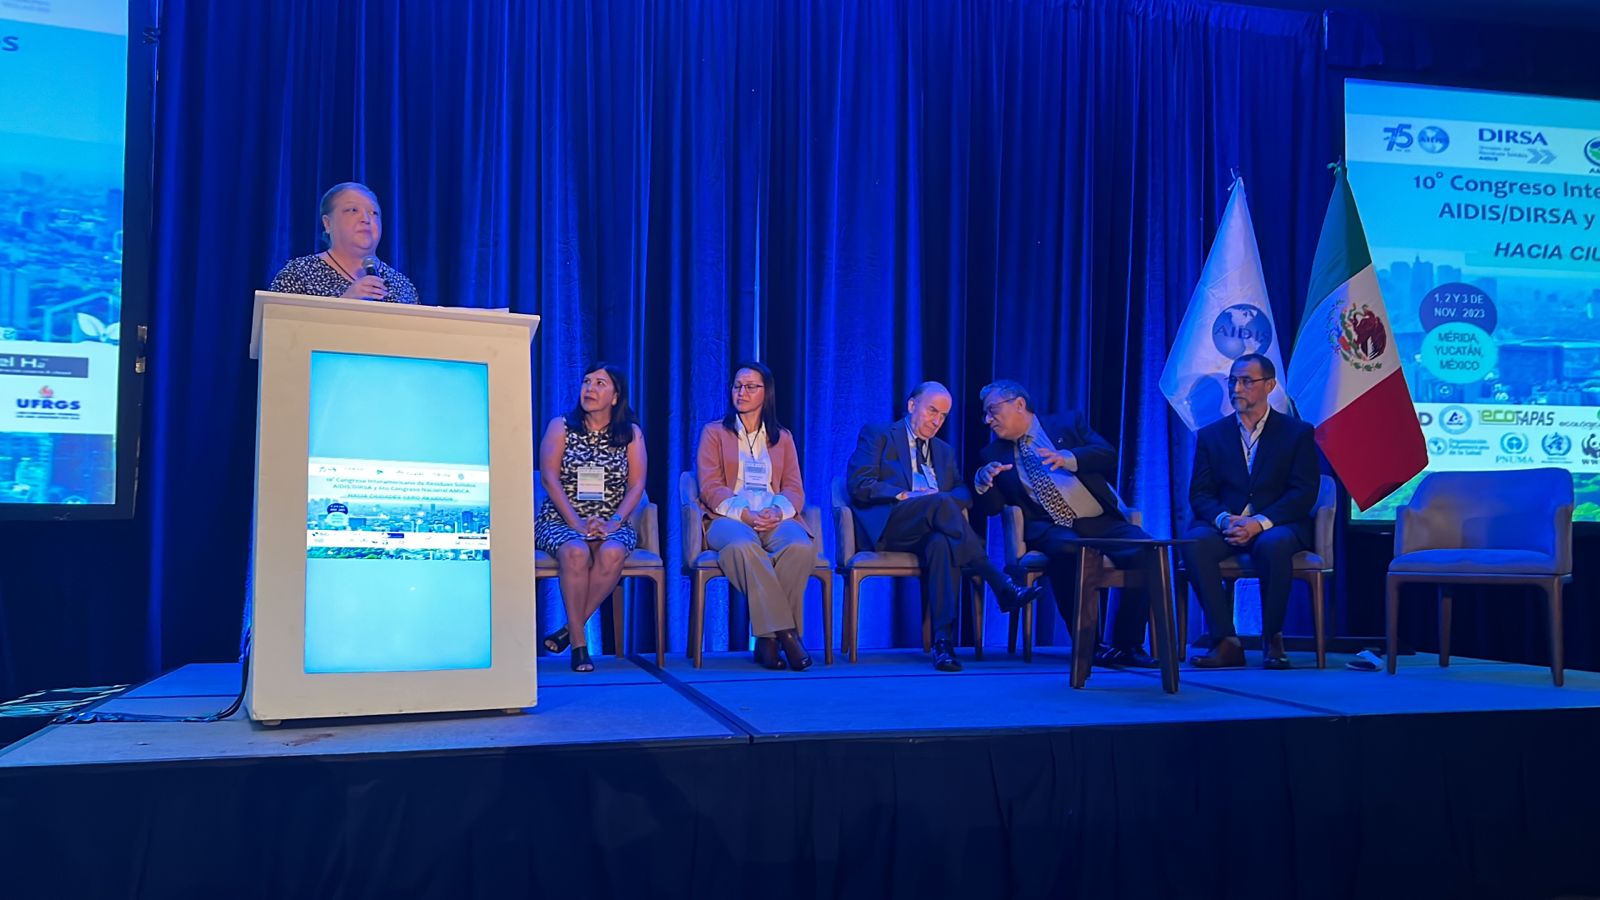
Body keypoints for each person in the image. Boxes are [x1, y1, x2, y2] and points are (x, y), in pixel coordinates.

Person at [846, 381, 1044, 671]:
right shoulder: (879, 434)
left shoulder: (943, 451)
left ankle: (943, 643)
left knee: (942, 542)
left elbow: (963, 493)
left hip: (932, 528)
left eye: (943, 416)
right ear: (912, 405)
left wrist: (940, 501)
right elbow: (859, 484)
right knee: (939, 504)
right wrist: (906, 495)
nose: (937, 421)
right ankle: (998, 582)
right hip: (890, 526)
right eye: (932, 411)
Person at [971, 380, 1160, 667]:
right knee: (1069, 550)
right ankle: (1089, 645)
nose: (987, 419)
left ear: (1019, 404)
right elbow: (992, 509)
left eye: (992, 410)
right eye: (985, 413)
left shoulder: (1068, 423)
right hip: (1051, 528)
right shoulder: (992, 454)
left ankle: (1128, 645)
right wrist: (982, 483)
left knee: (1148, 550)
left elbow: (1108, 455)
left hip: (1099, 521)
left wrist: (1069, 458)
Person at [1182, 353, 1320, 670]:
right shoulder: (1211, 435)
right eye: (1233, 381)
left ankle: (1273, 638)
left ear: (1269, 385)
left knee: (1274, 544)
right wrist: (1224, 520)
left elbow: (1303, 492)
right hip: (1228, 524)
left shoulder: (1297, 433)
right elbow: (1200, 493)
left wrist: (1259, 523)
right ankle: (1226, 641)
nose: (1237, 389)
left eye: (1246, 381)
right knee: (1194, 543)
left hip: (1277, 524)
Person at [695, 361, 817, 671]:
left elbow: (794, 488)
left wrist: (777, 511)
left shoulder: (783, 437)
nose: (742, 392)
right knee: (740, 546)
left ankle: (766, 640)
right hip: (728, 518)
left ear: (767, 393)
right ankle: (787, 635)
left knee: (800, 546)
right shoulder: (714, 433)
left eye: (751, 387)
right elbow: (710, 487)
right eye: (737, 386)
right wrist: (745, 514)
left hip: (774, 518)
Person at [535, 363, 647, 672]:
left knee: (612, 552)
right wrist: (576, 523)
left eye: (600, 383)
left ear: (615, 396)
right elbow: (548, 478)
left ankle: (567, 629)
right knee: (575, 551)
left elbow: (637, 484)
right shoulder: (561, 426)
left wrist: (614, 522)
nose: (590, 388)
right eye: (586, 382)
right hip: (560, 519)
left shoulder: (630, 434)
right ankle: (579, 643)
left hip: (611, 520)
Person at [268, 182, 421, 304]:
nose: (366, 219)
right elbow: (277, 328)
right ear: (327, 223)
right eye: (353, 210)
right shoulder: (299, 274)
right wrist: (345, 304)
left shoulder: (402, 286)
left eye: (374, 213)